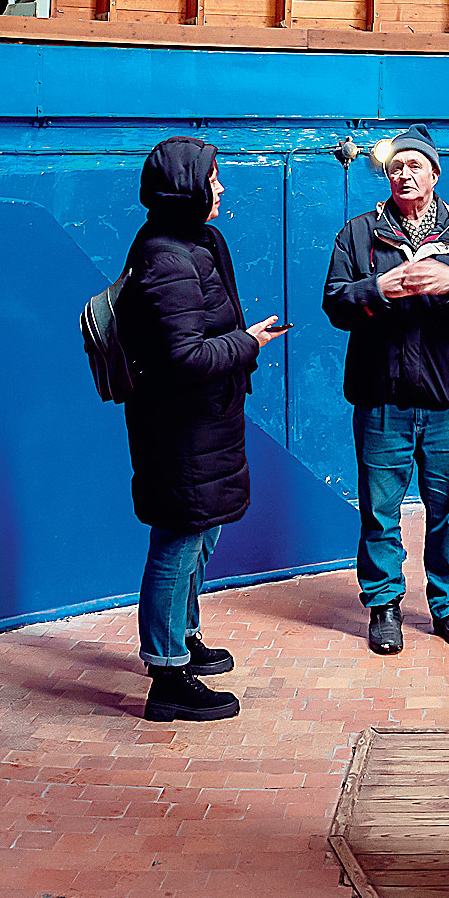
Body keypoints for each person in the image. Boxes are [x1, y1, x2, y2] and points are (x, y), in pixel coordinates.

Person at [323, 124, 449, 654]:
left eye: (415, 166)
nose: (404, 174)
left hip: (447, 403)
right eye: (396, 167)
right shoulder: (358, 235)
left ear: (434, 174)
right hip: (380, 400)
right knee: (379, 511)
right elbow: (335, 304)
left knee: (448, 508)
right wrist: (376, 289)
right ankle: (383, 606)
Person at [122, 136, 287, 722]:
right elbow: (182, 357)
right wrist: (248, 343)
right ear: (185, 187)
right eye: (212, 178)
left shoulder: (197, 240)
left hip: (205, 422)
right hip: (179, 430)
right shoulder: (166, 257)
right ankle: (166, 676)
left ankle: (182, 637)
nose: (220, 187)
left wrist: (241, 342)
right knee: (178, 540)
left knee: (202, 532)